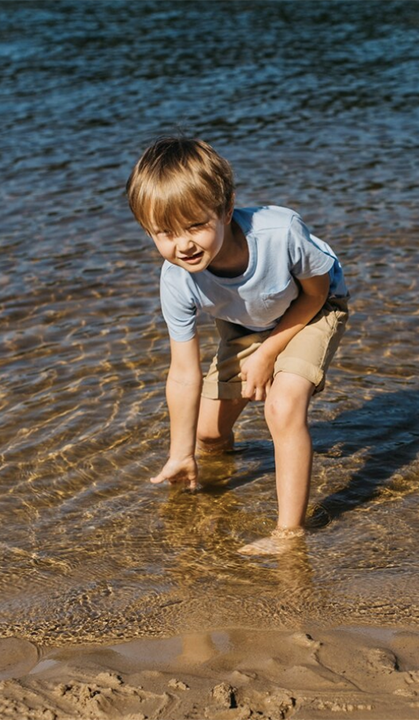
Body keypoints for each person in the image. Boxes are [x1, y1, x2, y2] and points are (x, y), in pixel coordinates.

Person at [125, 136, 349, 555]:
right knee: (208, 435)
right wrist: (180, 452)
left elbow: (316, 295)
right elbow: (183, 373)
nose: (183, 245)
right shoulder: (176, 280)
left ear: (226, 210)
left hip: (311, 308)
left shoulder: (280, 233)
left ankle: (288, 536)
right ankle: (213, 495)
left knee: (282, 406)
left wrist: (268, 354)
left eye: (195, 226)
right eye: (165, 233)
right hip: (246, 321)